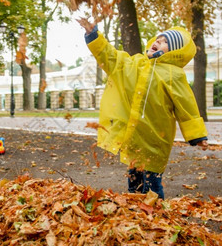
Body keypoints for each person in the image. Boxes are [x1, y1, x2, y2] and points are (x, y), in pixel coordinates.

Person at [78, 18, 208, 199]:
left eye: (165, 42)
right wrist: (93, 35)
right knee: (135, 181)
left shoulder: (173, 74)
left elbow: (186, 105)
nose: (157, 42)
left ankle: (157, 216)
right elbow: (112, 58)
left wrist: (197, 135)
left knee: (151, 185)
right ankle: (136, 212)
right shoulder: (136, 64)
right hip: (135, 139)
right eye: (158, 39)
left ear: (175, 53)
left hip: (156, 140)